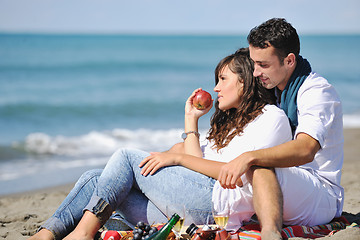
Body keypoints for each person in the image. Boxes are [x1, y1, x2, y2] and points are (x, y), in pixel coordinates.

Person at [28, 48, 292, 240]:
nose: (215, 88)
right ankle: (46, 234)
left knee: (126, 157)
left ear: (245, 81)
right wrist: (191, 121)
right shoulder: (228, 123)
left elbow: (234, 174)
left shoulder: (270, 117)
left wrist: (177, 159)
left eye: (223, 79)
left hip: (218, 205)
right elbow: (196, 169)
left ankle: (82, 234)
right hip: (193, 204)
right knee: (94, 178)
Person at [216, 18, 344, 239]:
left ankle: (271, 234)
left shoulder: (316, 92)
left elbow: (306, 149)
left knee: (259, 165)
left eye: (263, 65)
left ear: (289, 60)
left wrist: (249, 157)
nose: (255, 72)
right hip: (289, 185)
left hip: (321, 195)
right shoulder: (275, 91)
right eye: (254, 63)